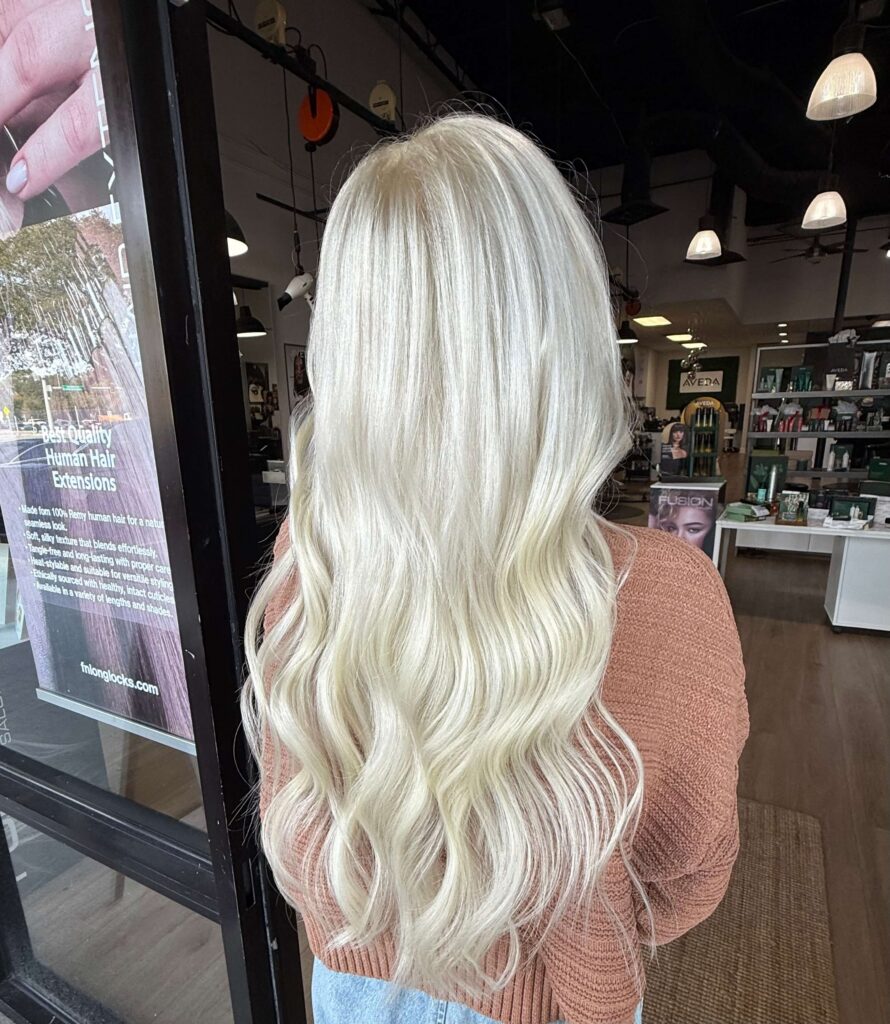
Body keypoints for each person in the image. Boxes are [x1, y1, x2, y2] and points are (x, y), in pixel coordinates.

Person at [243, 114, 748, 1024]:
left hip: (354, 986)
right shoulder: (673, 597)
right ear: (566, 336)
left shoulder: (307, 563)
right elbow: (687, 877)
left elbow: (302, 811)